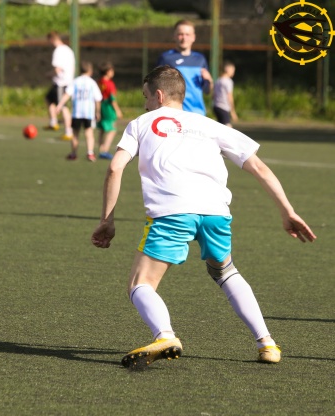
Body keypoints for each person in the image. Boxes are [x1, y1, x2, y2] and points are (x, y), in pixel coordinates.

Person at [91, 65, 316, 369]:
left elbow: (115, 167)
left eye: (146, 97)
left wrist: (107, 220)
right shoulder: (210, 125)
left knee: (140, 283)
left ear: (159, 96)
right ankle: (267, 342)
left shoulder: (141, 123)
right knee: (225, 272)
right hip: (215, 212)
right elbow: (259, 168)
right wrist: (287, 211)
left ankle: (165, 335)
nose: (145, 104)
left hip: (172, 211)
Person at [156, 19, 213, 115]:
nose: (184, 38)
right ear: (174, 36)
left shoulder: (200, 59)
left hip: (198, 113)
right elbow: (156, 87)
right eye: (180, 34)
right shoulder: (166, 58)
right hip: (175, 113)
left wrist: (209, 80)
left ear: (193, 37)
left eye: (187, 34)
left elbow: (207, 90)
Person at [55, 61, 102, 162]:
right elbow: (98, 98)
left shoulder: (75, 81)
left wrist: (59, 105)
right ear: (90, 71)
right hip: (88, 113)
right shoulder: (92, 83)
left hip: (77, 113)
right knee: (89, 133)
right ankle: (90, 153)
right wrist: (98, 112)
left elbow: (67, 94)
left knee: (75, 133)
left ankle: (73, 154)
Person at [45, 31, 75, 140]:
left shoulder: (58, 51)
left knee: (63, 106)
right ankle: (53, 122)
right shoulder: (68, 49)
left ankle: (68, 131)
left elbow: (57, 69)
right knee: (48, 98)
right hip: (67, 81)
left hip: (61, 83)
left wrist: (49, 74)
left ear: (52, 39)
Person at [97, 61, 123, 160]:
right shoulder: (109, 83)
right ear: (108, 71)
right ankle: (105, 150)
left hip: (101, 106)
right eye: (112, 70)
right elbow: (112, 99)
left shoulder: (99, 82)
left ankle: (100, 150)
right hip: (108, 108)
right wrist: (118, 110)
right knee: (112, 130)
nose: (113, 72)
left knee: (102, 129)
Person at [213, 61, 238, 127]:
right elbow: (230, 96)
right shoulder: (228, 81)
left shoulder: (218, 80)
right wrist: (232, 111)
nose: (233, 72)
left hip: (216, 107)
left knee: (221, 127)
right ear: (227, 69)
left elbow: (213, 95)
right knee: (228, 127)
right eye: (232, 70)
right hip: (223, 107)